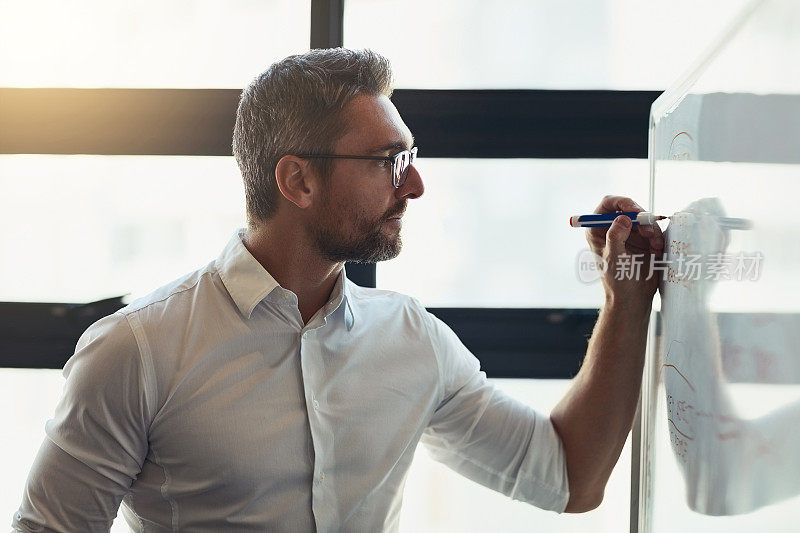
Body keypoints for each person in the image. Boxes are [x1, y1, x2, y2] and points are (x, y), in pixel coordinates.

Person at [12, 48, 664, 532]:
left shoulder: (412, 339)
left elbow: (570, 477)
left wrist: (626, 297)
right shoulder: (136, 349)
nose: (414, 187)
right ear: (297, 181)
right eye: (389, 161)